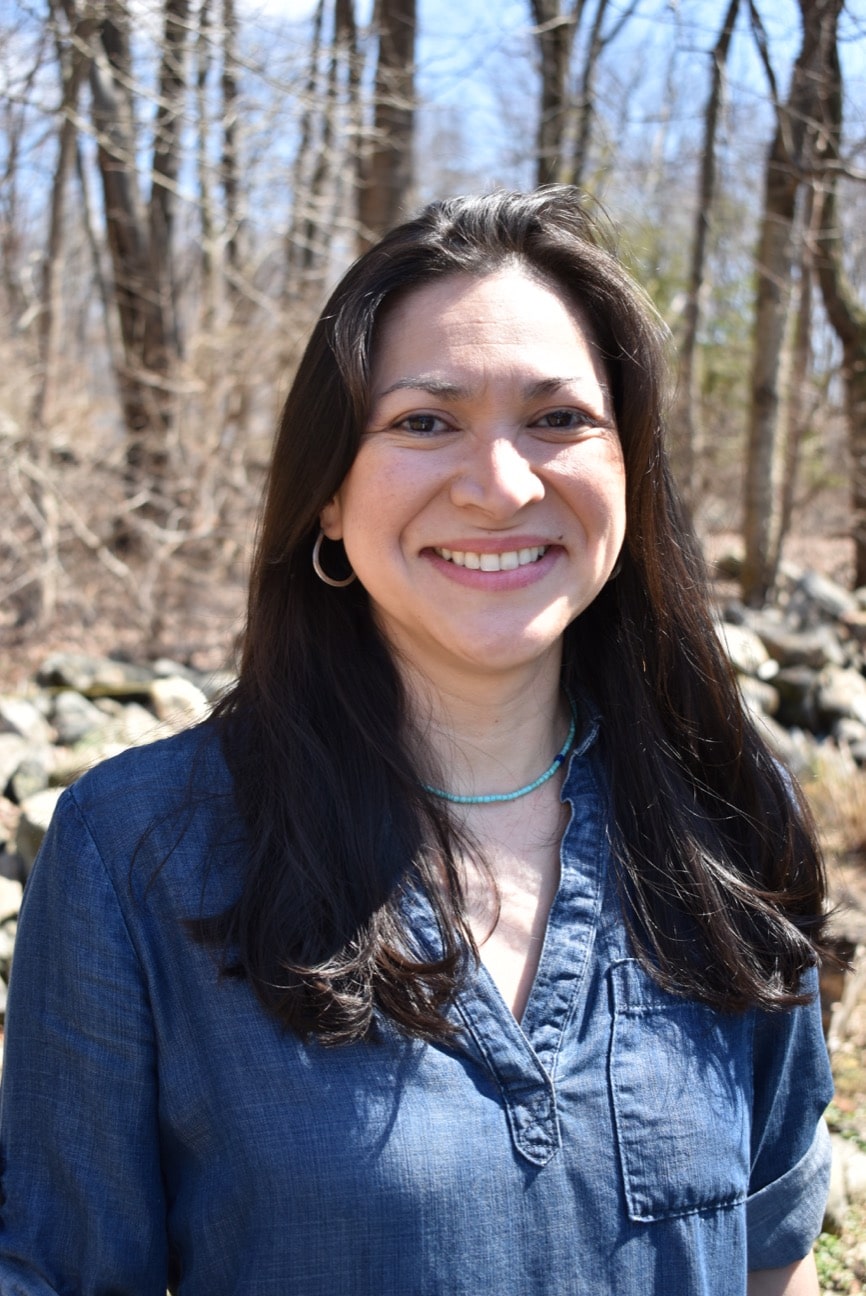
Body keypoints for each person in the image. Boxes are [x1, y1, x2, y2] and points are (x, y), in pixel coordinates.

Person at [0, 188, 833, 1296]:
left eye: (558, 419)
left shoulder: (727, 813)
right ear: (329, 498)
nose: (499, 485)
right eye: (424, 421)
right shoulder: (139, 851)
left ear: (628, 470)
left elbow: (770, 1257)